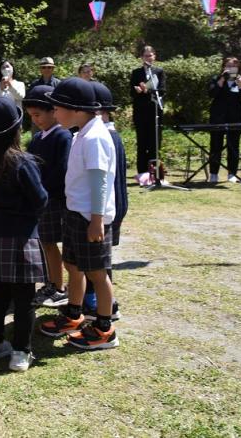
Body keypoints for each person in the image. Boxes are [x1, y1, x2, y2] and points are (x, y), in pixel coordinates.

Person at [40, 78, 119, 351]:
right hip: (76, 213)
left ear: (75, 109)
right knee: (73, 265)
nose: (54, 114)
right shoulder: (81, 133)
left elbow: (100, 182)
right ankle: (74, 314)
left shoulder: (95, 137)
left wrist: (96, 220)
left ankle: (104, 329)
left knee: (97, 273)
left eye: (56, 108)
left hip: (89, 218)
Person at [0, 96, 47, 372]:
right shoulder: (23, 162)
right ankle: (21, 352)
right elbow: (40, 199)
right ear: (15, 129)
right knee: (25, 298)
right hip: (22, 238)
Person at [23, 85, 71, 310]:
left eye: (38, 115)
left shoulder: (63, 136)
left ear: (54, 110)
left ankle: (58, 286)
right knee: (45, 243)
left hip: (55, 200)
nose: (35, 120)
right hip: (40, 199)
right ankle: (52, 283)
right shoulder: (36, 139)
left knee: (51, 243)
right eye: (31, 116)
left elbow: (61, 171)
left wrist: (41, 189)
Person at [84, 81, 126, 321]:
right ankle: (97, 300)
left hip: (107, 207)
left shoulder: (103, 136)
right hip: (112, 205)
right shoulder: (108, 134)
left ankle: (104, 306)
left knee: (99, 262)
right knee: (99, 260)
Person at [208, 57, 241, 183]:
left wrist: (240, 85)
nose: (230, 69)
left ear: (238, 69)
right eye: (227, 66)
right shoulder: (216, 79)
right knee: (215, 146)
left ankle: (232, 174)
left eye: (233, 67)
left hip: (235, 118)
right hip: (218, 118)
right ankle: (213, 174)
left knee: (233, 147)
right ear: (223, 67)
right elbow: (211, 94)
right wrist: (222, 79)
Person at [129, 45, 165, 185]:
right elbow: (131, 92)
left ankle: (155, 175)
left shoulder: (159, 71)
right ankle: (142, 174)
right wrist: (138, 90)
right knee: (142, 143)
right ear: (141, 57)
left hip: (155, 111)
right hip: (141, 112)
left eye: (150, 55)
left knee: (155, 143)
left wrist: (147, 90)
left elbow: (162, 90)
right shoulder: (136, 72)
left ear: (154, 56)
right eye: (146, 56)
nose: (148, 58)